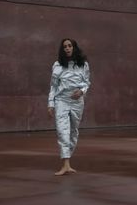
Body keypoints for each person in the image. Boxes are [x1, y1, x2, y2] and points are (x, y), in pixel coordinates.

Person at [48, 38, 91, 176]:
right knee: (62, 130)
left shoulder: (83, 64)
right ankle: (65, 163)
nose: (67, 48)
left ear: (74, 48)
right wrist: (51, 104)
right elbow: (53, 86)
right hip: (61, 100)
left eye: (69, 46)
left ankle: (68, 159)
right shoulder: (57, 65)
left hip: (77, 102)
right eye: (65, 46)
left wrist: (82, 91)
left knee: (73, 131)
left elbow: (86, 82)